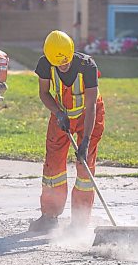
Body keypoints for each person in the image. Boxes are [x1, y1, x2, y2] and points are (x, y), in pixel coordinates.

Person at [29, 30, 105, 233]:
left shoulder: (87, 66)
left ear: (71, 53)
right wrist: (58, 113)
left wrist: (86, 141)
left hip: (88, 116)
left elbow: (91, 107)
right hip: (61, 113)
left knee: (84, 168)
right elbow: (44, 93)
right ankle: (49, 216)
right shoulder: (45, 64)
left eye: (65, 62)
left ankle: (79, 222)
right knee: (53, 167)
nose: (62, 66)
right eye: (58, 63)